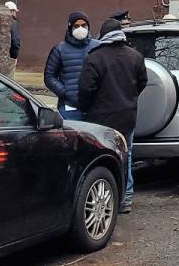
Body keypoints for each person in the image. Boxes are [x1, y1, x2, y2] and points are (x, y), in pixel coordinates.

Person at [78, 19, 148, 214]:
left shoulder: (95, 57)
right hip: (127, 116)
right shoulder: (135, 57)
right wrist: (130, 98)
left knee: (102, 158)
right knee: (127, 155)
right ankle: (125, 198)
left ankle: (108, 198)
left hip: (100, 117)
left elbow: (85, 89)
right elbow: (143, 82)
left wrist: (84, 108)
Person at [44, 11, 99, 120]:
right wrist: (65, 92)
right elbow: (49, 77)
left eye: (84, 25)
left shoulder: (97, 46)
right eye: (76, 26)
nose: (80, 28)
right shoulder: (59, 49)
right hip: (69, 108)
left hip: (94, 106)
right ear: (70, 28)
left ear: (88, 27)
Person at [6, 2, 21, 77]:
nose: (15, 13)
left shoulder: (3, 22)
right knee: (9, 79)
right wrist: (14, 56)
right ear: (11, 11)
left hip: (3, 55)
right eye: (15, 11)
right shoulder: (13, 23)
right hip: (10, 56)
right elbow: (15, 41)